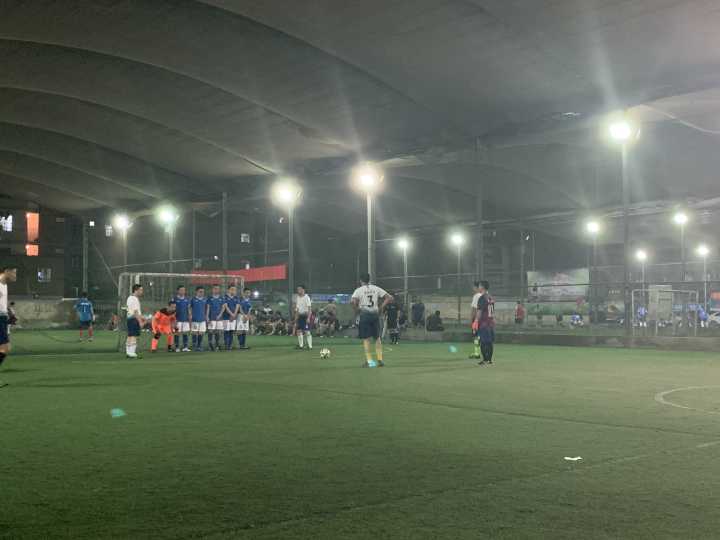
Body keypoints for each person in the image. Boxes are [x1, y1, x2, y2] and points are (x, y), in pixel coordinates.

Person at [351, 273, 392, 367]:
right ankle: (380, 360)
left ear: (361, 280)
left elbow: (352, 301)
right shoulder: (376, 288)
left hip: (365, 315)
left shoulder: (359, 290)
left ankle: (369, 361)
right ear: (369, 279)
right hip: (375, 315)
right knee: (377, 338)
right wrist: (381, 307)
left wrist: (356, 309)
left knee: (366, 339)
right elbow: (389, 297)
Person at [470, 280, 495, 365]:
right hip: (490, 322)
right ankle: (489, 360)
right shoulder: (490, 297)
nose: (479, 287)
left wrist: (476, 321)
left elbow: (479, 311)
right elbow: (492, 311)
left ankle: (484, 359)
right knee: (490, 342)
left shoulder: (482, 298)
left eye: (480, 286)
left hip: (484, 323)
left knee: (483, 342)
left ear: (483, 287)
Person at [0, 267, 18, 387]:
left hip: (2, 318)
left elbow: (3, 303)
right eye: (14, 273)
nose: (15, 276)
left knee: (4, 348)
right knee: (5, 348)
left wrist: (10, 314)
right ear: (7, 271)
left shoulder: (4, 285)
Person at [126, 283, 145, 359]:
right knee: (133, 335)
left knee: (130, 335)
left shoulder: (129, 298)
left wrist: (142, 317)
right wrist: (140, 321)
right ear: (136, 290)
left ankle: (128, 352)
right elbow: (136, 312)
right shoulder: (134, 299)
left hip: (130, 318)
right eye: (141, 290)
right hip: (134, 319)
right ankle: (132, 352)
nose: (142, 291)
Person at [172, 285, 191, 352]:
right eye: (181, 290)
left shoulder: (187, 299)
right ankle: (177, 347)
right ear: (178, 291)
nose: (183, 291)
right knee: (177, 333)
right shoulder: (174, 299)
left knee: (185, 333)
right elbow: (172, 309)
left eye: (184, 290)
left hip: (185, 319)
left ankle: (185, 347)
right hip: (177, 319)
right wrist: (174, 319)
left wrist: (189, 316)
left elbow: (188, 309)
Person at [206, 284, 225, 351]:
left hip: (219, 318)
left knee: (218, 331)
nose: (216, 290)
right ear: (212, 289)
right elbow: (208, 308)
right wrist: (207, 316)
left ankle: (217, 345)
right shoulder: (209, 298)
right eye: (215, 288)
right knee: (210, 331)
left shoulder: (221, 298)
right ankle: (210, 344)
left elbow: (223, 308)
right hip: (212, 317)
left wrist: (220, 315)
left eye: (217, 289)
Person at [190, 286, 208, 351]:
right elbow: (189, 308)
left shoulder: (205, 299)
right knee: (194, 333)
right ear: (196, 292)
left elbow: (207, 308)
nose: (202, 293)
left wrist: (206, 316)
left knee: (201, 333)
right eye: (200, 292)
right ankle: (194, 345)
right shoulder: (193, 299)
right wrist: (190, 315)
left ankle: (199, 346)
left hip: (202, 319)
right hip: (195, 319)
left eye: (203, 292)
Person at [294, 285, 313, 350]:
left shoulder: (307, 297)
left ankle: (310, 346)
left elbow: (309, 308)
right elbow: (297, 308)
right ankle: (301, 346)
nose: (298, 290)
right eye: (297, 289)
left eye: (299, 289)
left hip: (306, 316)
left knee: (307, 331)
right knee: (299, 331)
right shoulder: (298, 297)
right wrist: (296, 317)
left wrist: (308, 318)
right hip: (300, 316)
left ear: (303, 290)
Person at [222, 285, 240, 351]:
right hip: (226, 317)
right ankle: (226, 345)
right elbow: (226, 307)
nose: (233, 291)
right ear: (228, 290)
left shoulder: (236, 298)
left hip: (233, 318)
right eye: (232, 289)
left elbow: (237, 306)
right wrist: (232, 314)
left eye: (234, 290)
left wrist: (234, 315)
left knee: (231, 332)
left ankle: (230, 346)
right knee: (226, 331)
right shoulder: (225, 297)